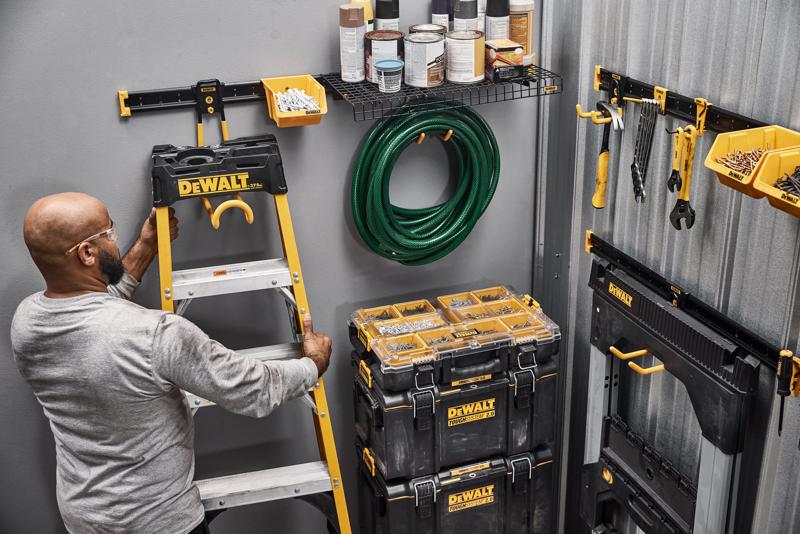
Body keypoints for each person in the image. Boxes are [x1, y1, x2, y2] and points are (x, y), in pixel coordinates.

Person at [10, 192, 332, 534]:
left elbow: (94, 310)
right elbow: (251, 390)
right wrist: (313, 364)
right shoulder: (156, 334)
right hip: (160, 523)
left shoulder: (26, 323)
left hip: (84, 520)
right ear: (87, 253)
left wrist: (145, 247)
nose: (115, 239)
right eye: (109, 232)